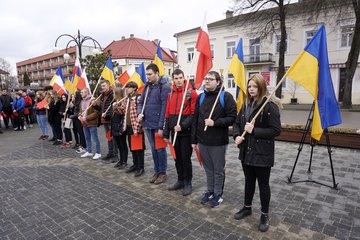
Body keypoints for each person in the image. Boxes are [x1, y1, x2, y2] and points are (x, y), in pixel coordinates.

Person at [232, 74, 281, 232]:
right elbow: (238, 123)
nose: (251, 89)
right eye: (249, 86)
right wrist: (236, 136)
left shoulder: (269, 105)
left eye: (254, 86)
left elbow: (275, 130)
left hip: (262, 153)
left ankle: (264, 214)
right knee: (248, 181)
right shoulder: (246, 104)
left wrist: (254, 130)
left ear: (261, 88)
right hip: (246, 151)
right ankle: (247, 207)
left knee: (263, 184)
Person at [191, 71, 237, 208]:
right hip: (203, 140)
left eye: (210, 79)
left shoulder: (225, 97)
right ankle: (210, 191)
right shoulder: (201, 97)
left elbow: (233, 117)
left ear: (218, 82)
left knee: (218, 170)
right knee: (208, 169)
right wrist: (194, 140)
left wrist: (215, 122)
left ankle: (218, 194)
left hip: (218, 141)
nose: (207, 81)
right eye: (206, 78)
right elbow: (195, 119)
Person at [163, 69, 197, 196]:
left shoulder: (191, 93)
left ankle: (188, 182)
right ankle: (180, 179)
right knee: (177, 158)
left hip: (186, 132)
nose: (178, 81)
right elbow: (167, 114)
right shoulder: (170, 94)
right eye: (176, 78)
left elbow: (194, 115)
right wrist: (166, 132)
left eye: (180, 78)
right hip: (174, 132)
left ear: (184, 78)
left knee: (185, 158)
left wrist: (182, 126)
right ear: (173, 79)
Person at [137, 63, 171, 184]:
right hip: (147, 124)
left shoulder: (165, 87)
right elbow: (141, 102)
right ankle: (156, 171)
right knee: (153, 149)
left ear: (157, 73)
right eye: (147, 74)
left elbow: (164, 108)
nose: (148, 77)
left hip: (158, 124)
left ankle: (162, 172)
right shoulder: (147, 86)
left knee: (160, 149)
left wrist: (161, 126)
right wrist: (139, 113)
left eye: (150, 74)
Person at [118, 81, 146, 177]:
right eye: (126, 87)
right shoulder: (127, 99)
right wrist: (116, 107)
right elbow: (122, 110)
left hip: (136, 127)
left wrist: (137, 128)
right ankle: (135, 164)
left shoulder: (138, 98)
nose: (126, 89)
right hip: (129, 127)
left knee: (139, 148)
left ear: (134, 88)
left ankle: (140, 167)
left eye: (128, 87)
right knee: (132, 147)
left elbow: (141, 114)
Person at [94, 80, 118, 162]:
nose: (102, 88)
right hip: (105, 120)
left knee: (114, 138)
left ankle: (115, 155)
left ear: (108, 86)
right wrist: (95, 106)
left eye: (104, 86)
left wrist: (107, 116)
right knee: (109, 137)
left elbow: (113, 108)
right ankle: (110, 153)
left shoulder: (113, 94)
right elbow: (101, 108)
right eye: (102, 86)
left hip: (111, 119)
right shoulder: (102, 95)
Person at [79, 88, 101, 160]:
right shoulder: (82, 101)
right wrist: (80, 116)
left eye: (82, 92)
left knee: (95, 138)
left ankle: (98, 153)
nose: (81, 93)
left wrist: (87, 118)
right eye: (81, 92)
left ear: (87, 93)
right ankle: (89, 151)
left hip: (91, 122)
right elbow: (81, 111)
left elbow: (96, 113)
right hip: (84, 123)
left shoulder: (92, 100)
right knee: (87, 138)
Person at [111, 87, 127, 169]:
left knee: (123, 144)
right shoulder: (115, 101)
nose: (113, 95)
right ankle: (121, 160)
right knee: (118, 144)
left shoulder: (123, 101)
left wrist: (116, 107)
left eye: (114, 93)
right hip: (115, 125)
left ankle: (124, 161)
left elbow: (122, 113)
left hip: (120, 125)